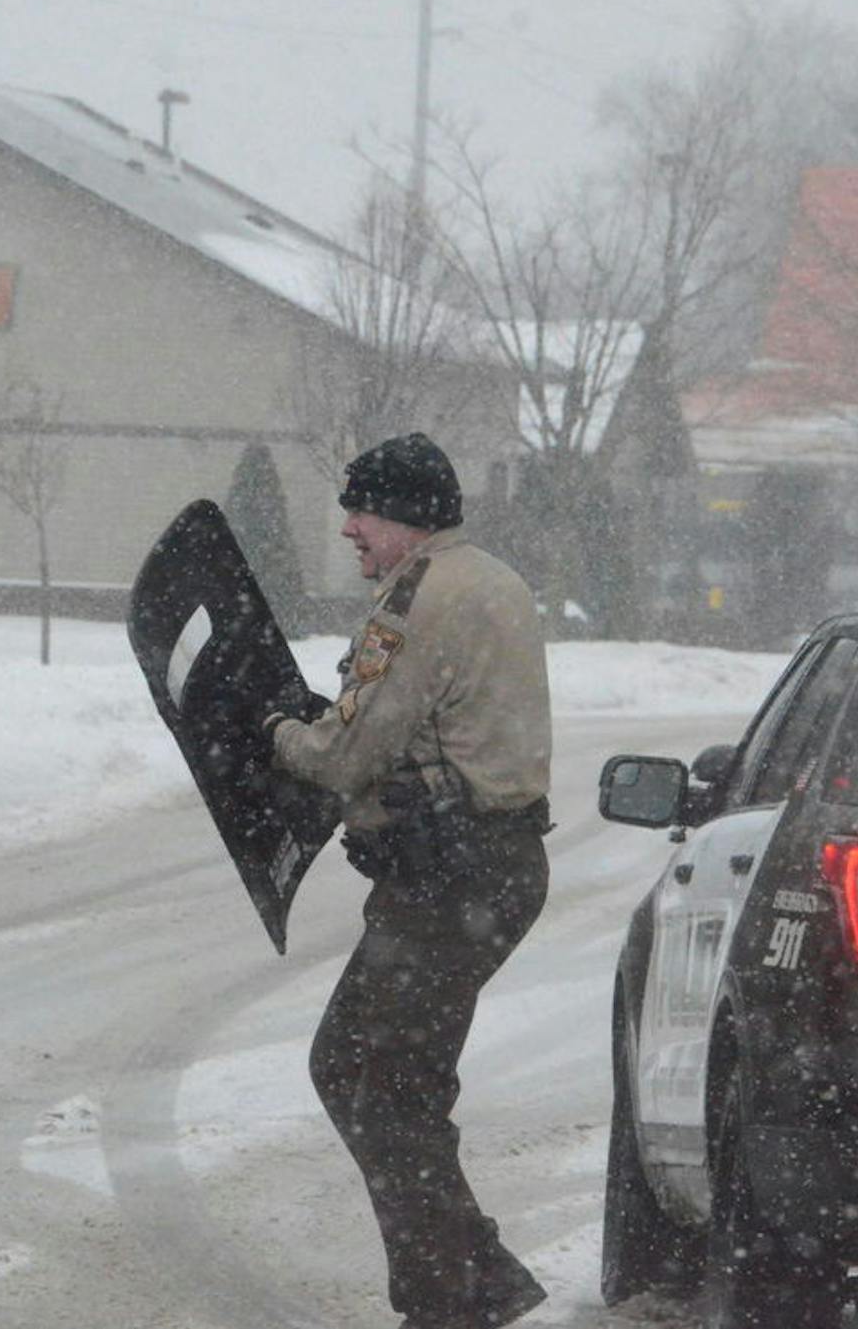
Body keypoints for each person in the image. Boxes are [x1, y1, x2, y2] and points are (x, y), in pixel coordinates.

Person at [263, 432, 553, 1329]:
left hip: (452, 879)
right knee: (389, 1076)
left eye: (362, 511)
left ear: (404, 517)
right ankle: (474, 1275)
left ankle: (447, 1299)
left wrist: (274, 729)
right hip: (489, 868)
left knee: (370, 1076)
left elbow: (353, 748)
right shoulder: (493, 580)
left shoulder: (419, 600)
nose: (349, 527)